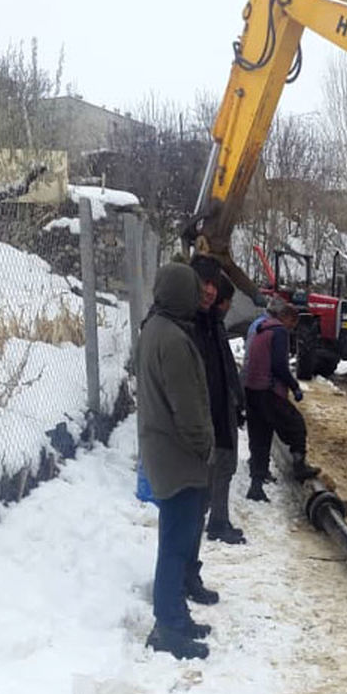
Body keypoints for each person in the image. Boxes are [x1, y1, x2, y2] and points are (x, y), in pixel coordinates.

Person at [135, 262, 214, 660]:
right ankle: (167, 626)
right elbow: (189, 409)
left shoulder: (154, 328)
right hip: (179, 457)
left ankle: (175, 617)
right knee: (175, 545)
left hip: (163, 451)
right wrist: (204, 446)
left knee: (175, 540)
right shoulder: (174, 340)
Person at [243, 299, 320, 501]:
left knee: (261, 438)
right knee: (296, 425)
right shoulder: (279, 332)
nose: (292, 328)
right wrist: (294, 387)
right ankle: (299, 466)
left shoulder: (260, 328)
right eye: (292, 323)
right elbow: (279, 365)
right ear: (286, 318)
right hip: (269, 391)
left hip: (252, 390)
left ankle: (256, 486)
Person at [206, 274, 247, 544]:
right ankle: (217, 522)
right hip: (218, 413)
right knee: (222, 468)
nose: (229, 307)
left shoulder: (215, 327)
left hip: (224, 409)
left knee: (223, 469)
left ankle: (217, 518)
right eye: (227, 302)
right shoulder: (210, 328)